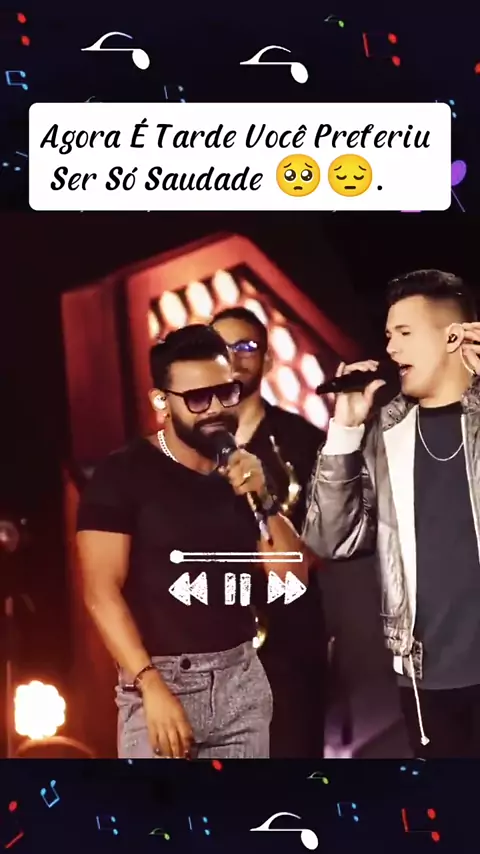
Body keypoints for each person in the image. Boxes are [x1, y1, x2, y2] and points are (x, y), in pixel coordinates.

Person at [76, 324, 309, 760]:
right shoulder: (121, 475)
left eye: (226, 393)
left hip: (241, 681)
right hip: (160, 681)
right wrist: (149, 685)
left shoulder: (246, 471)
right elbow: (100, 592)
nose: (216, 409)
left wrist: (264, 500)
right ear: (161, 402)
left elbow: (292, 579)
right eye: (198, 399)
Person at [303, 269, 480, 758]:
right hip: (426, 681)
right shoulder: (385, 433)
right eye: (387, 335)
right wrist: (344, 430)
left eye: (404, 333)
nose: (390, 348)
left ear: (453, 337)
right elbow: (331, 540)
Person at [211, 306, 328, 758]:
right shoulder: (184, 447)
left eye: (246, 346)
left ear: (268, 359)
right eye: (220, 348)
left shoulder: (304, 442)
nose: (233, 357)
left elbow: (314, 553)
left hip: (288, 653)